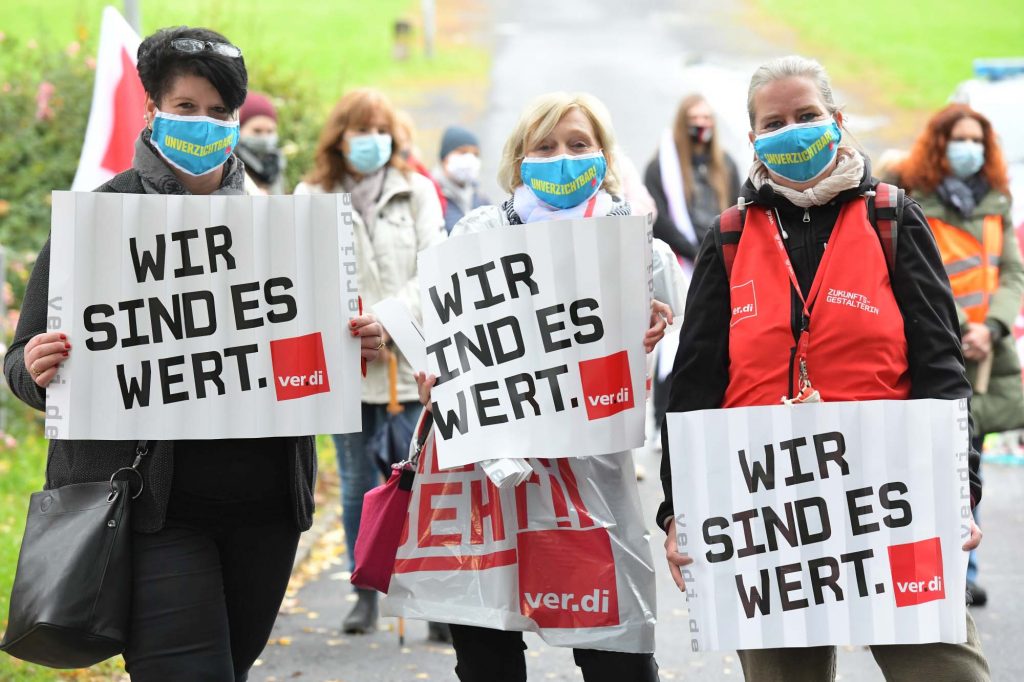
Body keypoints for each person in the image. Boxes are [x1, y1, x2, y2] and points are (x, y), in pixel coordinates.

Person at [3, 26, 385, 681]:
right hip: (151, 512)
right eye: (185, 108)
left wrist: (358, 346)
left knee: (229, 668)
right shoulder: (99, 222)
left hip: (265, 514)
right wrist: (38, 370)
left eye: (219, 113)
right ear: (152, 111)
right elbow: (21, 364)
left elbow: (310, 362)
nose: (203, 124)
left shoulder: (284, 229)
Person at [658, 56, 990, 681]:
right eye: (775, 122)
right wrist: (680, 505)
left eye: (807, 116)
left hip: (892, 502)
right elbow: (695, 383)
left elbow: (941, 368)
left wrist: (961, 486)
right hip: (769, 518)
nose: (793, 130)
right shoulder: (728, 237)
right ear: (754, 140)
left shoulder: (892, 218)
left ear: (836, 121)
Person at [413, 91, 679, 682]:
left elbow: (668, 353)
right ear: (519, 158)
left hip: (593, 485)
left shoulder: (641, 248)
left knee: (617, 655)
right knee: (488, 656)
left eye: (579, 145)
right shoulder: (477, 235)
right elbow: (434, 327)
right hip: (490, 483)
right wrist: (430, 364)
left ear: (603, 156)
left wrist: (657, 320)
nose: (562, 157)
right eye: (546, 146)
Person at [294, 88, 446, 635]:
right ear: (340, 137)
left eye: (380, 130)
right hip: (347, 370)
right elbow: (302, 275)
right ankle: (365, 591)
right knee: (359, 483)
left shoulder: (419, 192)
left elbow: (434, 269)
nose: (371, 142)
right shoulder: (310, 195)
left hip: (411, 370)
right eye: (361, 131)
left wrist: (388, 320)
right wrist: (352, 326)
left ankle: (431, 597)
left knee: (418, 482)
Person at [893, 103, 1024, 607]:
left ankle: (964, 570)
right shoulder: (913, 198)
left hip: (985, 355)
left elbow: (1011, 272)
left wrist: (991, 328)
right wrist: (958, 325)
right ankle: (929, 564)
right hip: (933, 344)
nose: (968, 149)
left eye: (977, 140)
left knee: (970, 464)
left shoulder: (996, 202)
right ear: (940, 144)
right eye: (959, 139)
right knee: (924, 460)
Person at [644, 93, 741, 268]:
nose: (701, 123)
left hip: (721, 256)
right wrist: (694, 253)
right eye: (694, 118)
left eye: (706, 117)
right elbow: (659, 219)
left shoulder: (726, 164)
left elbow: (737, 208)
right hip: (681, 261)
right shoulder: (662, 169)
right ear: (683, 123)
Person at [434, 125, 489, 233]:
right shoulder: (431, 194)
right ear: (445, 158)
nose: (469, 159)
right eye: (462, 152)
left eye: (475, 154)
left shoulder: (481, 198)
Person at [237, 91, 286, 194]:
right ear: (239, 130)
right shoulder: (229, 167)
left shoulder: (276, 163)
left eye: (270, 131)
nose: (264, 138)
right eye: (257, 131)